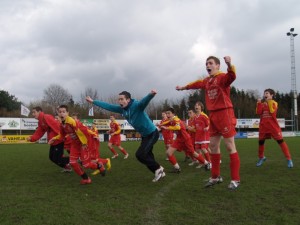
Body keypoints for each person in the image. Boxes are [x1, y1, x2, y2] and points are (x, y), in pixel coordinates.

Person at [176, 56, 240, 190]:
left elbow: (232, 76)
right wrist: (183, 88)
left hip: (225, 113)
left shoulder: (222, 77)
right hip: (213, 115)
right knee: (213, 145)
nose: (207, 65)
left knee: (229, 146)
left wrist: (229, 64)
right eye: (206, 64)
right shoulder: (207, 81)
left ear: (217, 66)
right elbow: (197, 83)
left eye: (210, 63)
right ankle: (216, 176)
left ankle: (235, 179)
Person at [86, 90, 165, 182]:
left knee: (140, 155)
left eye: (121, 99)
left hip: (152, 133)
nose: (119, 101)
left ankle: (158, 169)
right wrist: (93, 101)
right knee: (148, 156)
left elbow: (144, 101)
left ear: (128, 100)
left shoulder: (137, 106)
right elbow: (108, 106)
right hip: (144, 135)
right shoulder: (122, 109)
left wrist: (151, 95)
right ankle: (159, 172)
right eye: (118, 99)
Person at [48, 105, 106, 185]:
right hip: (75, 144)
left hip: (84, 143)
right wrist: (54, 138)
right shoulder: (62, 124)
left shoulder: (71, 122)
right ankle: (86, 179)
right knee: (72, 163)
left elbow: (81, 131)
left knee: (86, 164)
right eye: (60, 112)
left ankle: (99, 166)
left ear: (67, 113)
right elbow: (62, 135)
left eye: (63, 112)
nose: (61, 114)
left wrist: (84, 143)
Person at [160, 108, 211, 173]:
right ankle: (177, 168)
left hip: (186, 139)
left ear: (173, 114)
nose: (167, 115)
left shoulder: (176, 120)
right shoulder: (171, 120)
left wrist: (166, 127)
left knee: (193, 153)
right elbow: (166, 123)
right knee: (168, 152)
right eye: (166, 113)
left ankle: (206, 163)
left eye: (169, 113)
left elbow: (178, 127)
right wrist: (160, 125)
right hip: (179, 139)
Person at [256, 88, 293, 168]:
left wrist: (269, 101)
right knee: (261, 143)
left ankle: (289, 159)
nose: (265, 95)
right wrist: (259, 103)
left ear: (271, 95)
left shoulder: (274, 103)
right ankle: (261, 157)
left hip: (273, 126)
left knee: (281, 141)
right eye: (264, 93)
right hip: (263, 127)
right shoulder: (262, 104)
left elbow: (272, 112)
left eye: (267, 93)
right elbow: (258, 112)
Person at [27, 106, 71, 172]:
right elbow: (39, 132)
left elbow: (57, 127)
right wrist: (31, 138)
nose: (33, 114)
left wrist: (64, 137)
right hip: (53, 141)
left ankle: (76, 159)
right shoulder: (41, 121)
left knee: (58, 158)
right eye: (32, 113)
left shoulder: (46, 117)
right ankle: (67, 167)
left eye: (34, 112)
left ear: (39, 112)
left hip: (58, 140)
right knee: (52, 158)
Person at [193, 101, 211, 168]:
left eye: (198, 105)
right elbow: (195, 127)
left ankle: (209, 162)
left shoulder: (204, 116)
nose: (196, 106)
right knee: (197, 151)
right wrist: (189, 128)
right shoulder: (195, 117)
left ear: (201, 107)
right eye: (195, 105)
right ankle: (202, 162)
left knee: (203, 149)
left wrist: (207, 127)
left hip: (204, 135)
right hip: (198, 136)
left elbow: (209, 124)